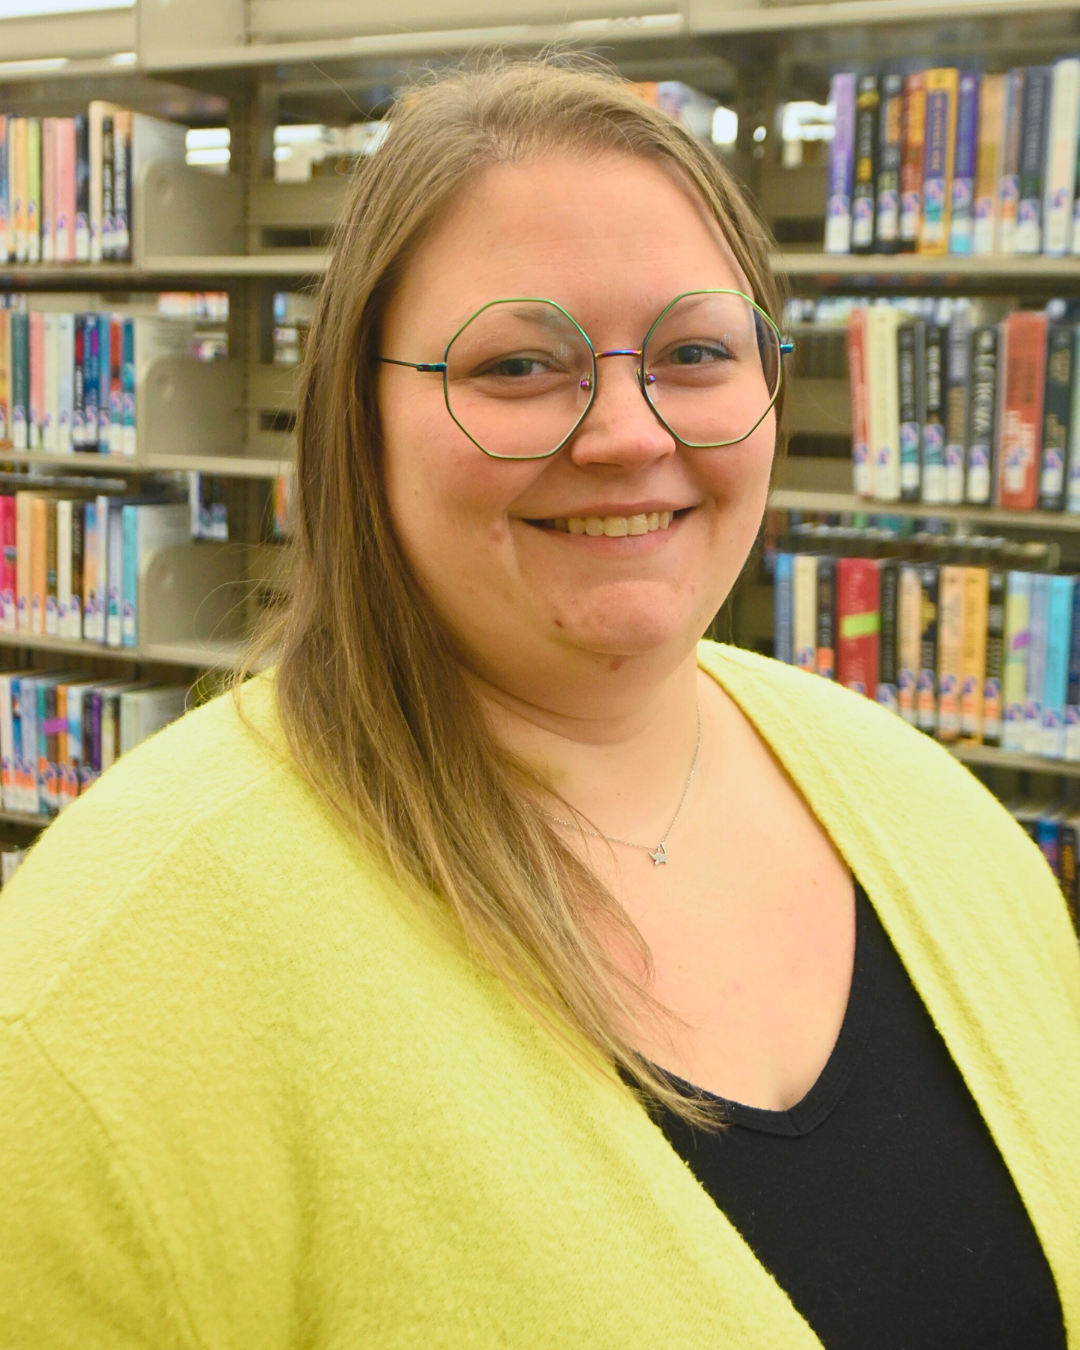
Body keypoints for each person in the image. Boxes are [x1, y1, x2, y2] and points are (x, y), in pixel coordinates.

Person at [1, 59, 1077, 1350]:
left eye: (694, 351)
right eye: (519, 363)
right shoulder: (109, 979)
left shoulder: (932, 814)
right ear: (360, 415)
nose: (628, 431)